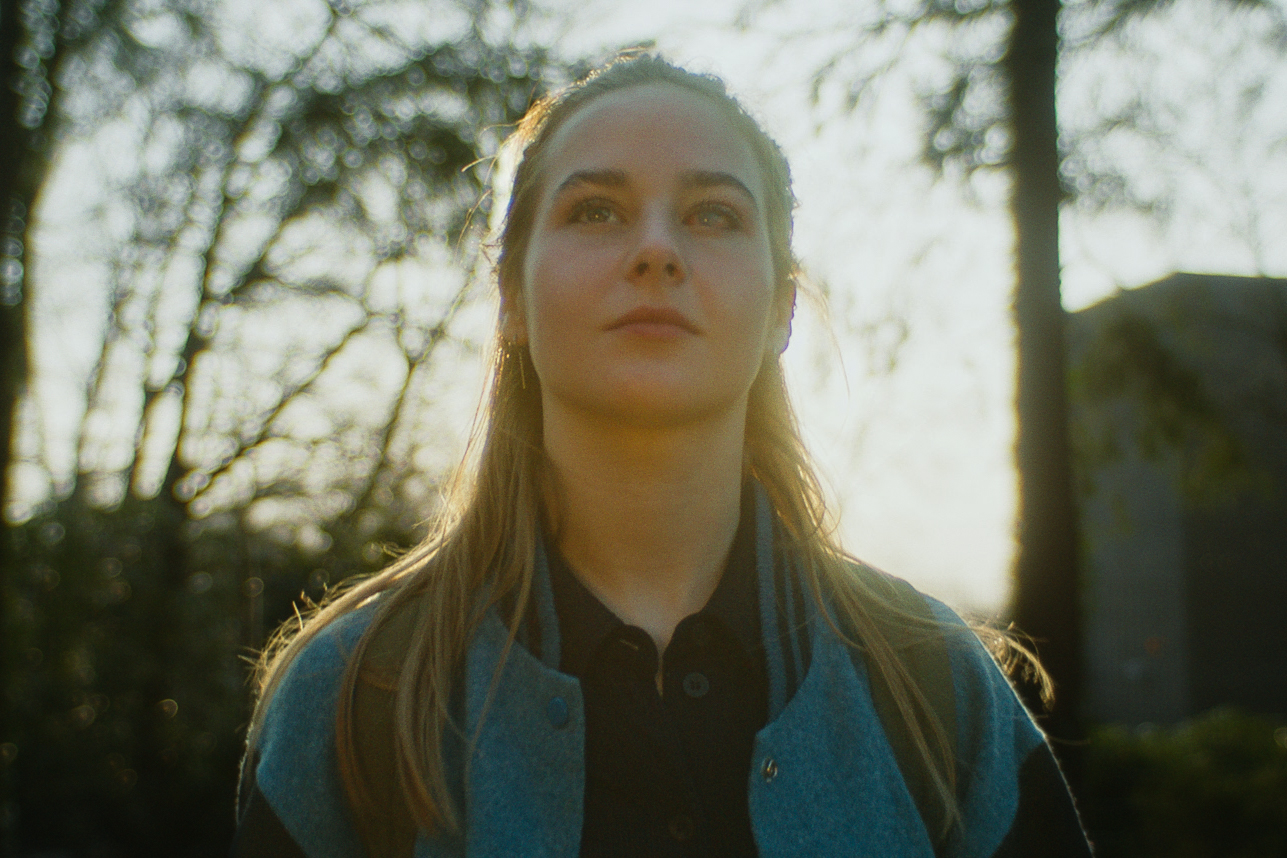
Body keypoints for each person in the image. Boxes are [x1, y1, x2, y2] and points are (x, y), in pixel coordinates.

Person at [231, 54, 1093, 858]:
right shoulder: (353, 696)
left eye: (713, 214)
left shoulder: (936, 687)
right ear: (510, 298)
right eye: (594, 210)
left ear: (781, 308)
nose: (656, 250)